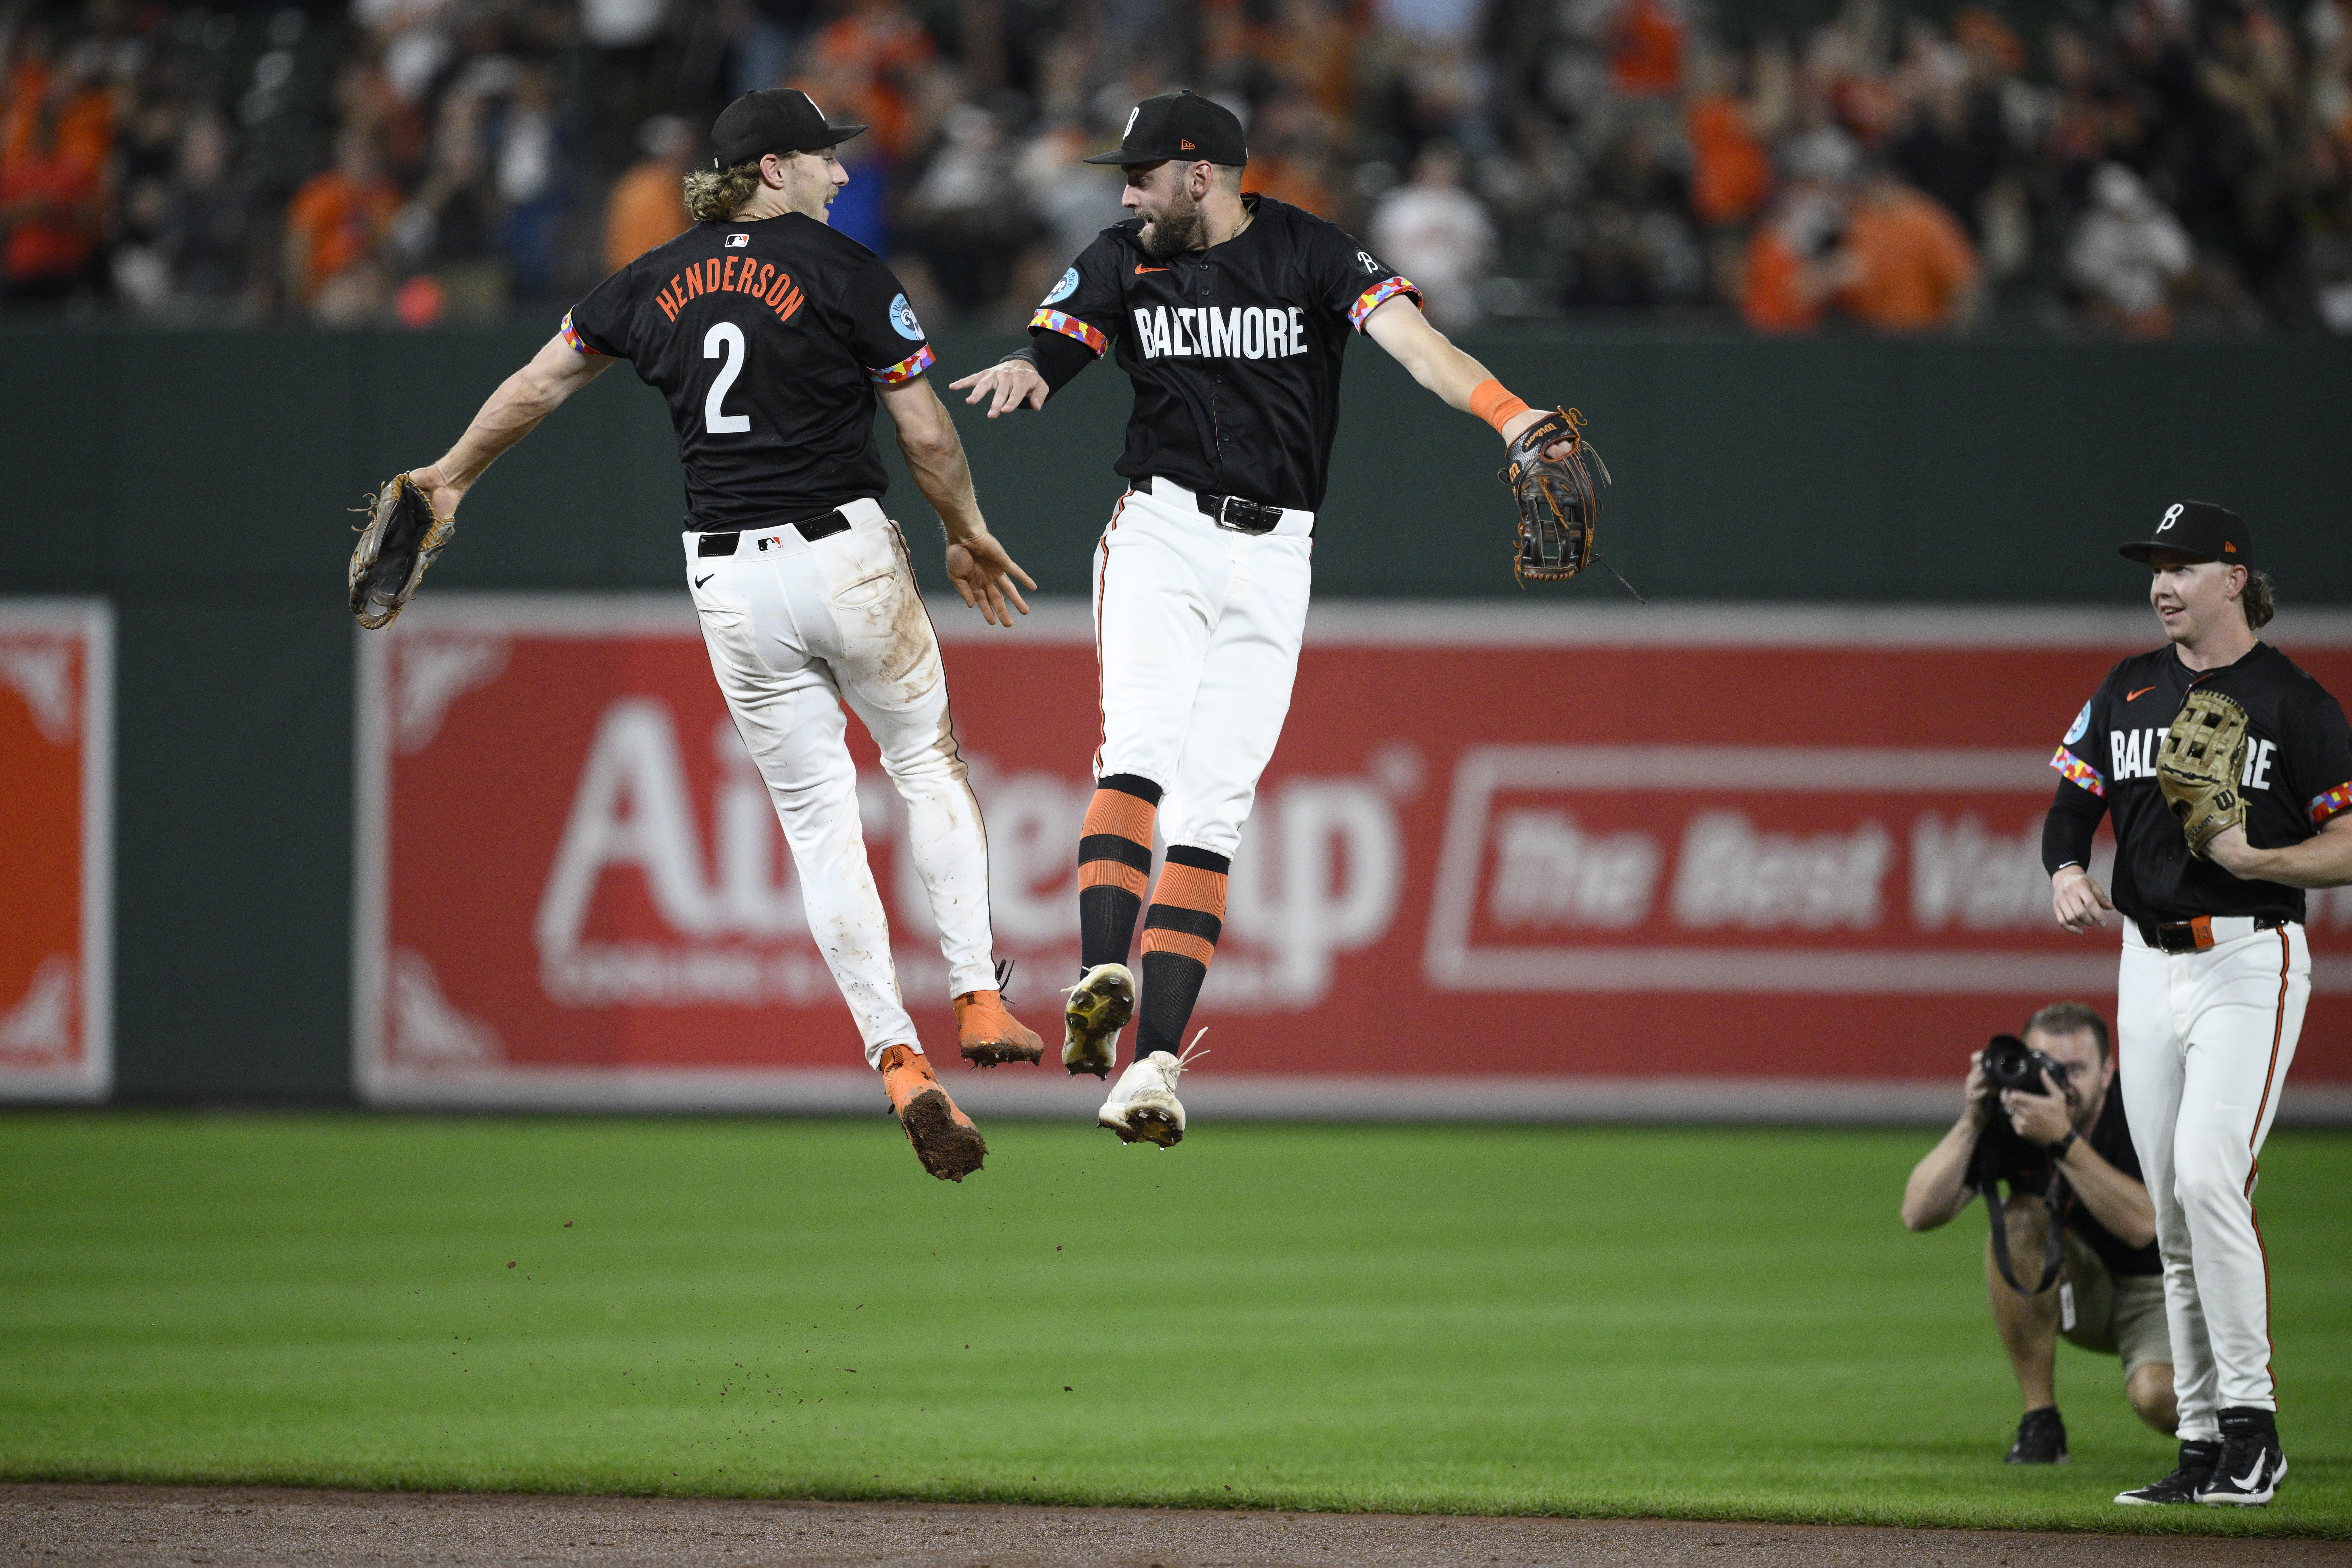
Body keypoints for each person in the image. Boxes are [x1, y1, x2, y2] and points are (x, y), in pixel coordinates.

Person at [395, 88, 1045, 1182]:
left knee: (815, 823)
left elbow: (539, 384)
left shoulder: (649, 279)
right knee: (926, 765)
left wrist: (450, 475)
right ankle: (978, 997)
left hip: (729, 581)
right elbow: (925, 429)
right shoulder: (846, 272)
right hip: (845, 554)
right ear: (776, 169)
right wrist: (967, 532)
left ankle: (896, 1059)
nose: (843, 177)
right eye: (827, 160)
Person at [949, 90, 1583, 1148]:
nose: (1125, 191)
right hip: (1162, 531)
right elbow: (1058, 346)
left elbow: (1422, 348)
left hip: (1277, 552)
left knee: (1217, 812)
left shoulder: (1313, 254)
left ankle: (1147, 1065)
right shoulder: (1120, 257)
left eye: (1141, 174)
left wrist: (1511, 416)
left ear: (1202, 174)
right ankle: (1104, 963)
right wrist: (1027, 366)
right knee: (1141, 748)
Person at [2045, 501, 2352, 1505]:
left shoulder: (2293, 702)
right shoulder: (2127, 685)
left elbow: (2348, 839)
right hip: (2146, 958)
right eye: (2154, 566)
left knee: (2213, 1178)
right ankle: (2198, 1442)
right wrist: (2061, 869)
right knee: (2172, 1209)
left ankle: (2253, 1431)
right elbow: (2072, 800)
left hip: (2245, 960)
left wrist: (2264, 858)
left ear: (2234, 579)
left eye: (2182, 566)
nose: (2161, 582)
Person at [1900, 1002, 2174, 1466]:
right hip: (2081, 1286)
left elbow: (2143, 1226)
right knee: (2018, 1217)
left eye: (2075, 1069)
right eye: (2045, 1065)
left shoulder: (2143, 1109)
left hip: (2163, 1291)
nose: (2060, 1082)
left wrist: (2062, 1140)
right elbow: (1918, 1212)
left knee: (2158, 1401)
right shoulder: (2015, 1117)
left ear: (2108, 1072)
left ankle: (2240, 1431)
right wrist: (1973, 1120)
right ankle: (2041, 1420)